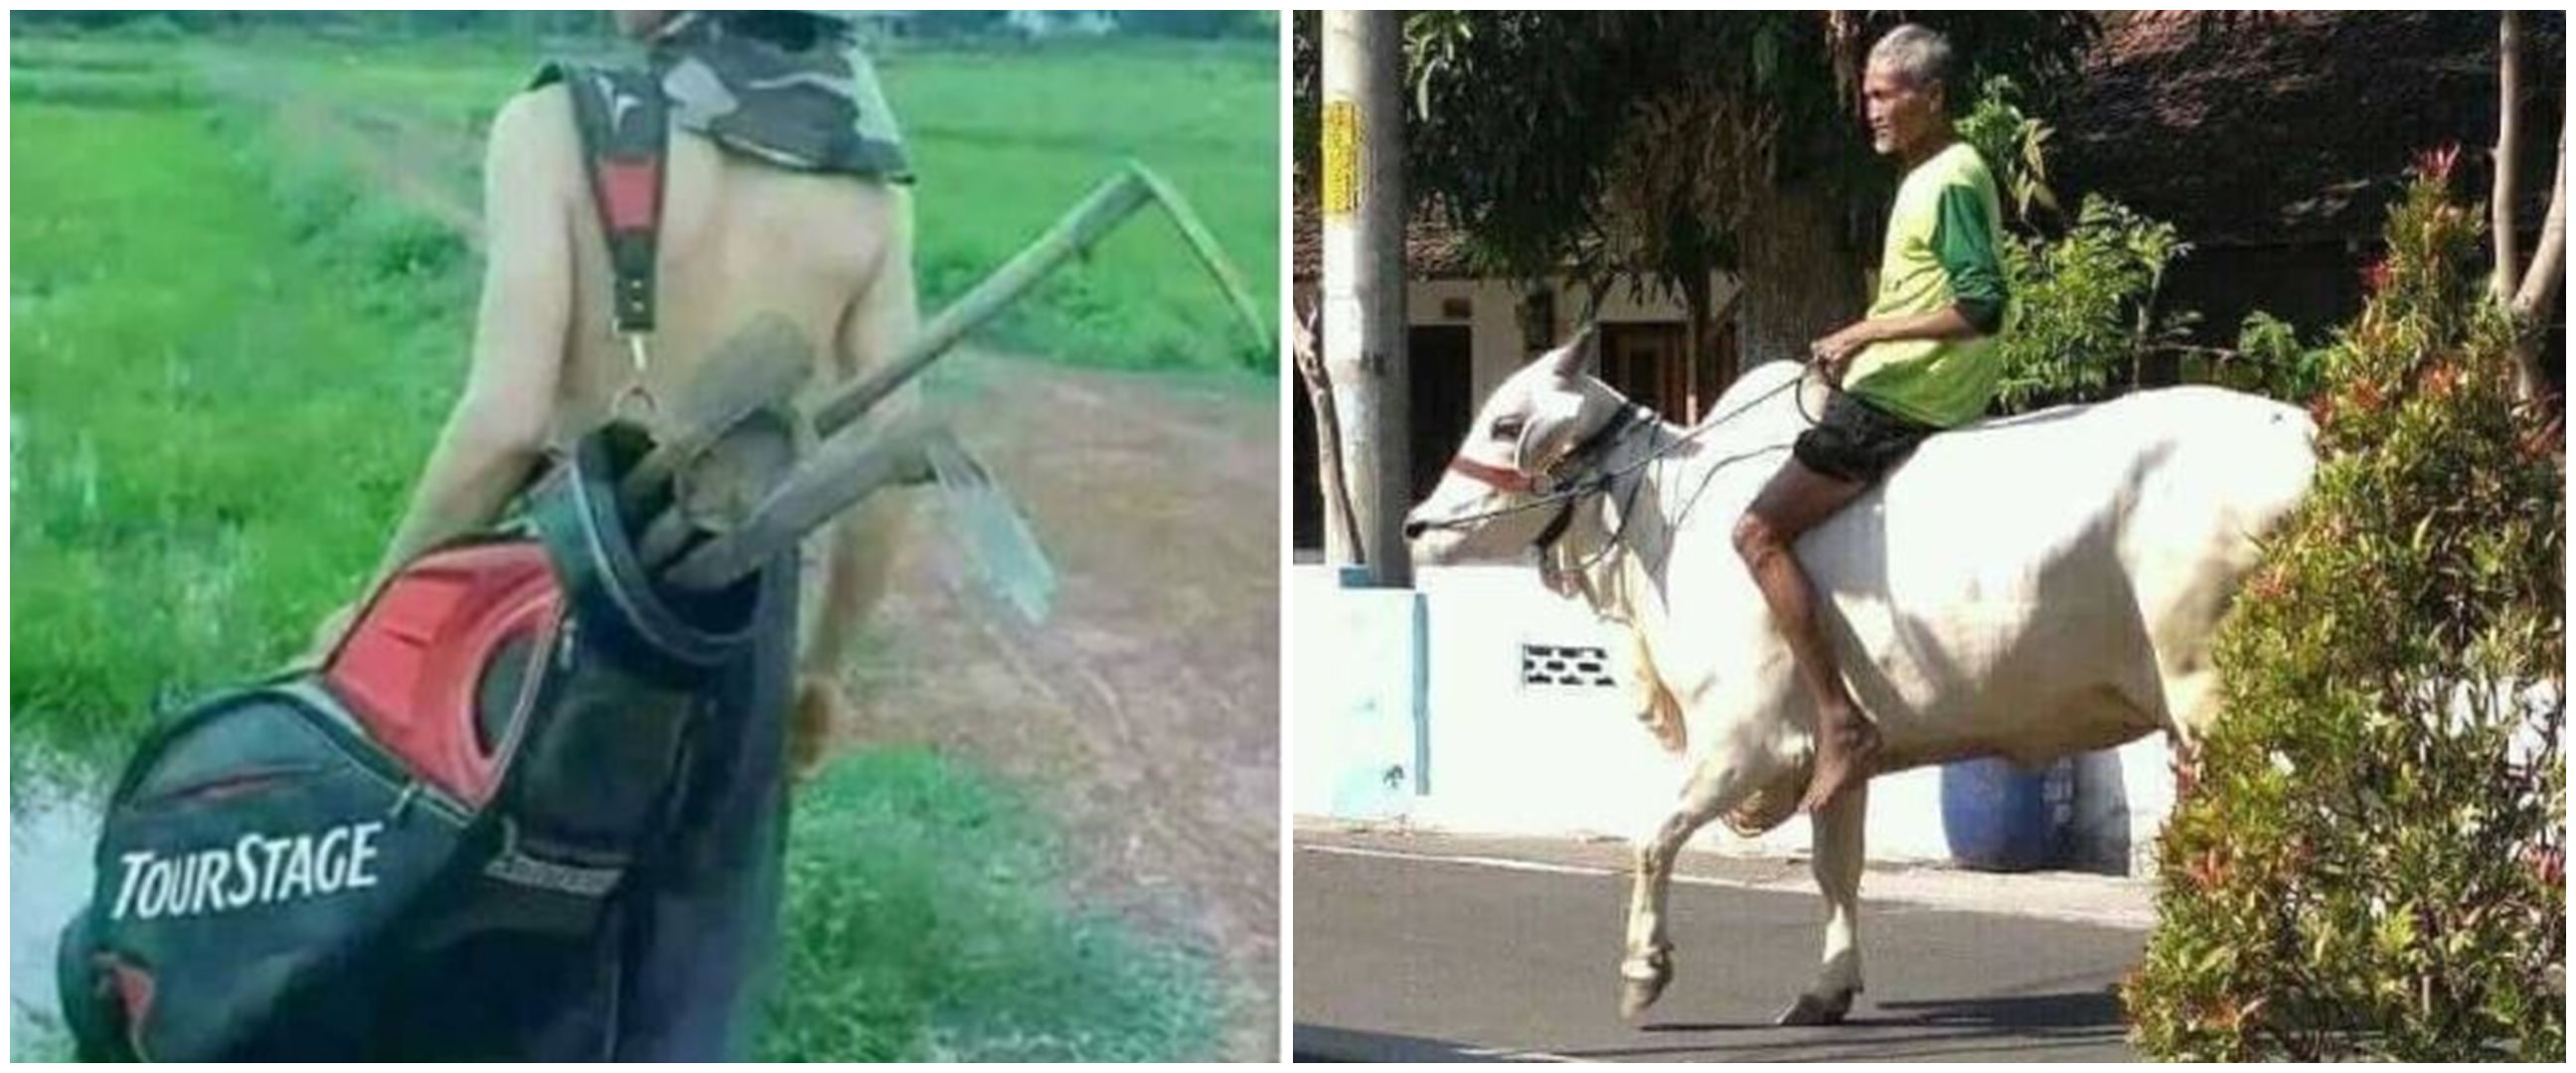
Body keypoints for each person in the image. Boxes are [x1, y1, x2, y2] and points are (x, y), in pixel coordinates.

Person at [315, 10, 918, 1057]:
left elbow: (505, 422)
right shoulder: (865, 179)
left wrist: (376, 617)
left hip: (561, 590)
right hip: (740, 613)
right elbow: (891, 461)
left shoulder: (553, 126)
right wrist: (823, 668)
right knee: (692, 974)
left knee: (508, 937)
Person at [1732, 23, 2012, 816]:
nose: (1873, 113)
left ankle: (1838, 722)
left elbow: (1982, 305)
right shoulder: (1928, 173)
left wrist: (1863, 332)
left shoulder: (1953, 177)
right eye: (1867, 98)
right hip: (1894, 385)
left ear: (1932, 97)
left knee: (1756, 532)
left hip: (1908, 398)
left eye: (1886, 97)